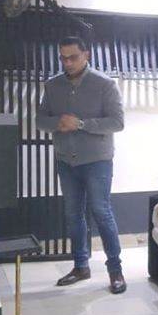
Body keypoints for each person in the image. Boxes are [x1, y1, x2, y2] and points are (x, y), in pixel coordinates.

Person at [37, 36, 127, 294]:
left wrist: (82, 124)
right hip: (66, 160)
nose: (67, 62)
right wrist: (58, 123)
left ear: (86, 55)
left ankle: (115, 271)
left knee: (101, 211)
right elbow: (40, 120)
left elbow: (117, 122)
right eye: (63, 58)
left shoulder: (104, 84)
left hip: (97, 160)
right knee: (72, 214)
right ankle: (80, 266)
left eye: (73, 57)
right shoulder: (52, 85)